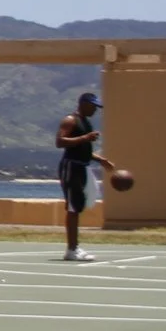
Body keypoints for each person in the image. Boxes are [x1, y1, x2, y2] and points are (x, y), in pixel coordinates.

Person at [56, 91, 121, 262]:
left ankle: (75, 247)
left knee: (78, 206)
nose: (95, 110)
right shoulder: (70, 120)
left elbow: (85, 150)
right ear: (83, 104)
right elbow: (60, 142)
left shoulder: (87, 123)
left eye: (96, 107)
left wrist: (101, 160)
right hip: (71, 167)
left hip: (82, 167)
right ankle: (71, 250)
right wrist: (85, 137)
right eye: (92, 106)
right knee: (72, 208)